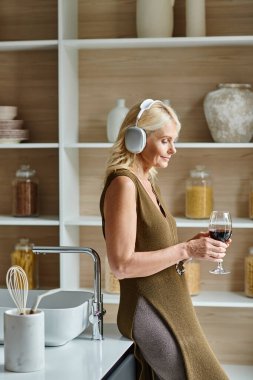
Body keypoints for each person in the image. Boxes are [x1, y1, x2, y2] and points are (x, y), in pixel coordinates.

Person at [100, 99, 230, 380]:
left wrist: (193, 248)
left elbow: (155, 248)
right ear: (137, 139)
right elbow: (121, 265)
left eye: (174, 140)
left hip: (172, 302)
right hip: (148, 307)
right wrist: (186, 248)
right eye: (165, 141)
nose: (173, 149)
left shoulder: (149, 180)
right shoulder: (123, 184)